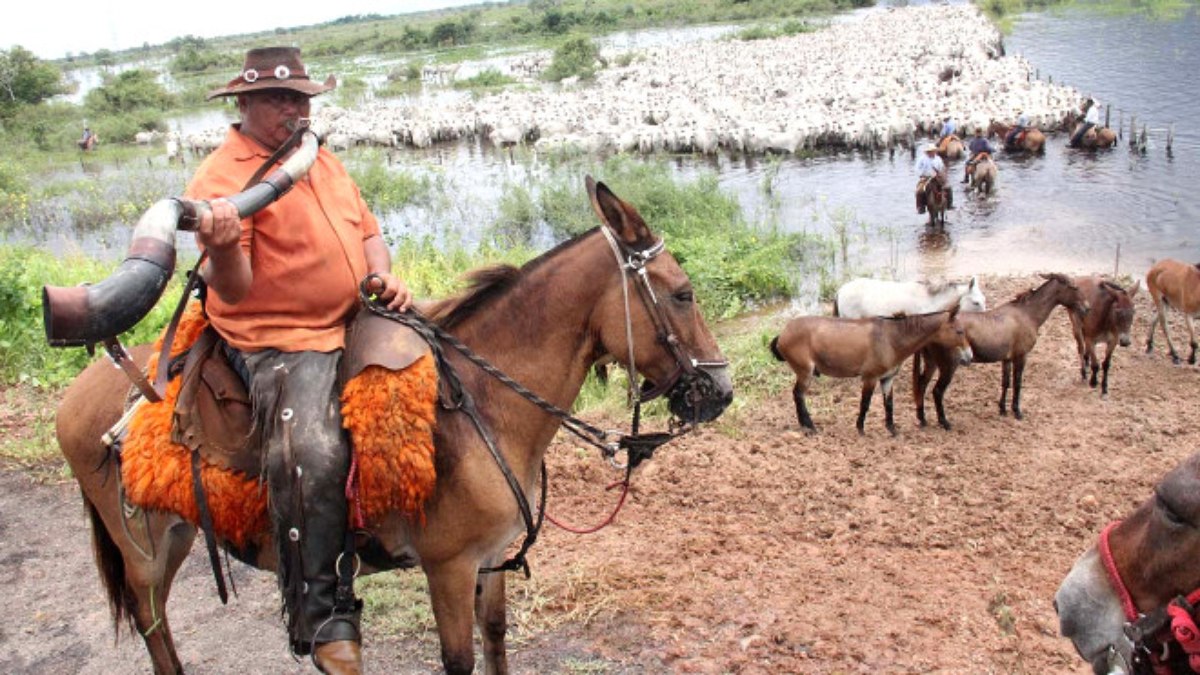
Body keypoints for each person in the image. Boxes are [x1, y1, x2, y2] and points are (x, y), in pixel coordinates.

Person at [185, 46, 411, 675]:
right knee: (314, 450)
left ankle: (436, 534)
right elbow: (232, 289)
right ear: (245, 103)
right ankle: (324, 614)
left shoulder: (318, 154)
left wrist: (382, 276)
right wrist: (221, 247)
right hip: (280, 336)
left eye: (301, 98)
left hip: (354, 315)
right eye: (278, 99)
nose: (294, 109)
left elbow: (368, 231)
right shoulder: (221, 178)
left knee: (450, 378)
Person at [915, 143, 952, 213]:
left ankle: (949, 205)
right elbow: (917, 169)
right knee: (919, 191)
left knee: (948, 187)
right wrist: (922, 175)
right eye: (930, 151)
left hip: (938, 178)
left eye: (933, 151)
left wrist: (942, 174)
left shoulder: (938, 159)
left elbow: (942, 168)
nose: (932, 152)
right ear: (927, 152)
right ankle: (921, 207)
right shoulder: (922, 159)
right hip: (926, 178)